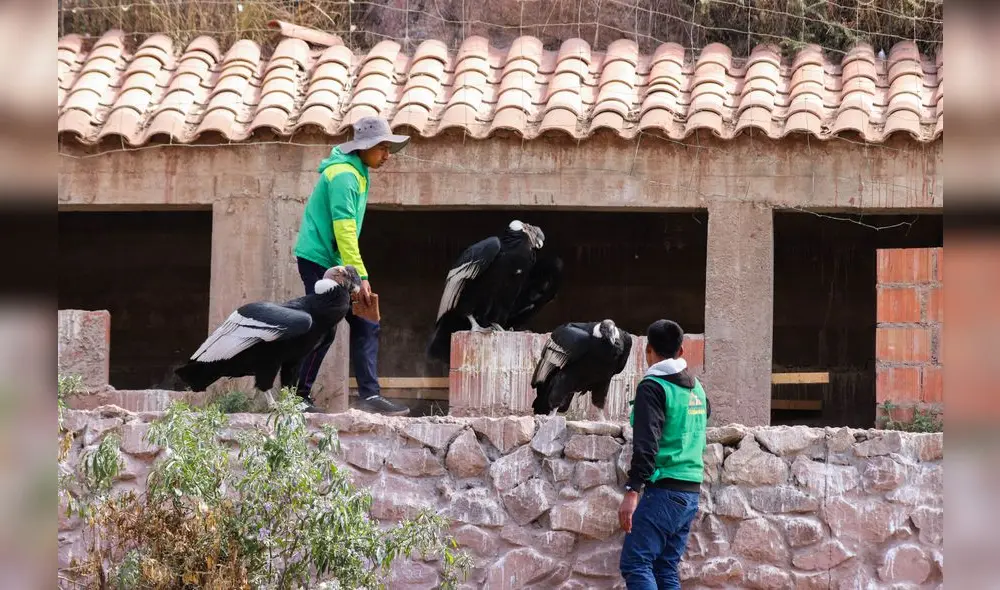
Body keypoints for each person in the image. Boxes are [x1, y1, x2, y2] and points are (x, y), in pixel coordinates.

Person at [291, 116, 411, 416]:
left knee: (366, 320)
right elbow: (344, 229)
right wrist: (361, 276)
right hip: (319, 260)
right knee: (323, 327)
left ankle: (370, 397)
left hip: (336, 261)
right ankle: (296, 398)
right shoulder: (344, 175)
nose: (387, 155)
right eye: (382, 148)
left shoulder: (357, 171)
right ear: (365, 147)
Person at [618, 319, 711, 590]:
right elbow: (705, 415)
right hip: (690, 492)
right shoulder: (697, 387)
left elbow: (646, 444)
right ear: (681, 351)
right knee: (665, 567)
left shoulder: (653, 387)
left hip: (665, 490)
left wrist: (632, 490)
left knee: (636, 563)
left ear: (648, 351)